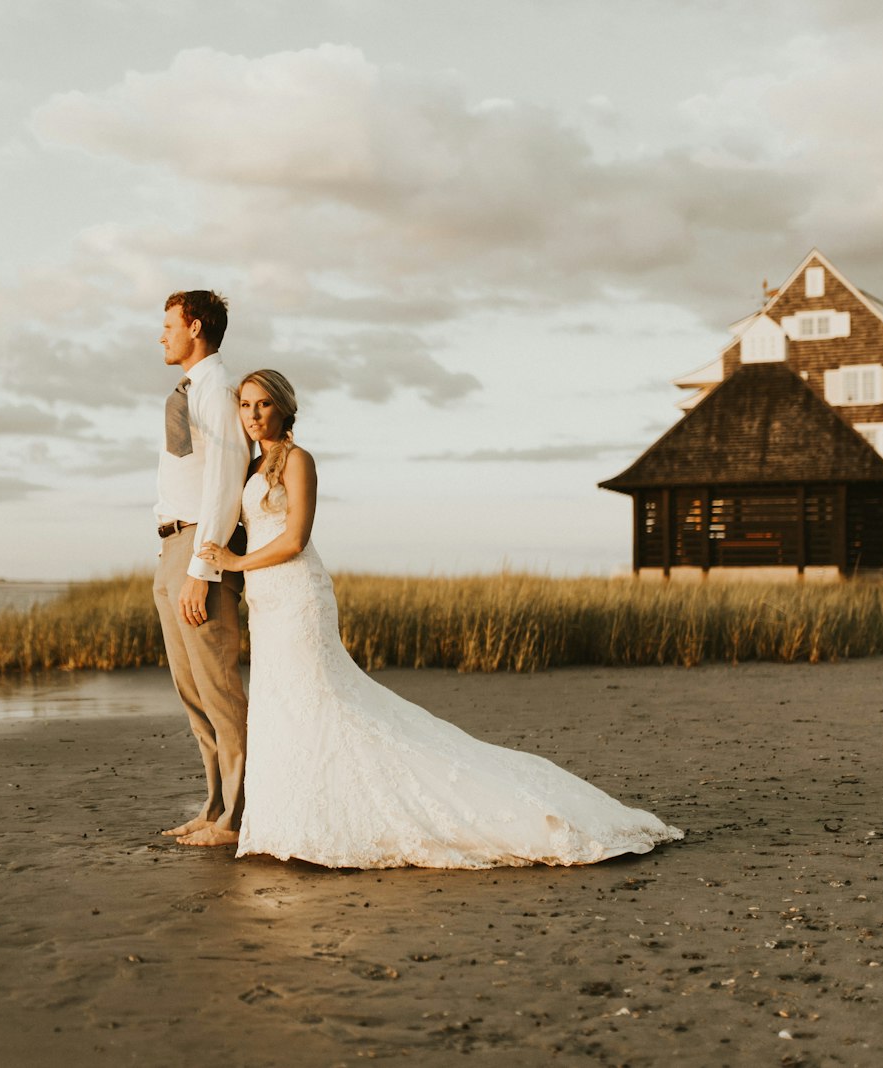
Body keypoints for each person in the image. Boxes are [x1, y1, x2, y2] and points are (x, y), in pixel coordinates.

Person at [199, 371, 682, 868]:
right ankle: (291, 818)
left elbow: (295, 537)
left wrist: (234, 563)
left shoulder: (299, 461)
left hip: (298, 594)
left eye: (263, 405)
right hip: (266, 602)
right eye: (246, 406)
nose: (253, 415)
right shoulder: (253, 466)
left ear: (283, 409)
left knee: (319, 698)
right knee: (284, 702)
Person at [152, 291, 251, 848]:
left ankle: (237, 817)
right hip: (173, 545)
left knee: (218, 690)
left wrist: (201, 566)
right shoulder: (188, 392)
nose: (161, 336)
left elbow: (224, 481)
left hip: (199, 549)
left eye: (168, 325)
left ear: (194, 327)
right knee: (191, 691)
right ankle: (214, 805)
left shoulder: (217, 390)